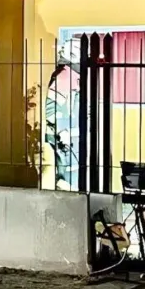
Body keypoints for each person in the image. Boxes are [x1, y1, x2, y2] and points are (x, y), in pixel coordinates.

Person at [45, 38, 83, 191]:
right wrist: (61, 131)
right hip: (63, 138)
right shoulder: (65, 76)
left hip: (69, 138)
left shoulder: (72, 75)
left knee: (71, 175)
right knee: (66, 178)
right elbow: (50, 108)